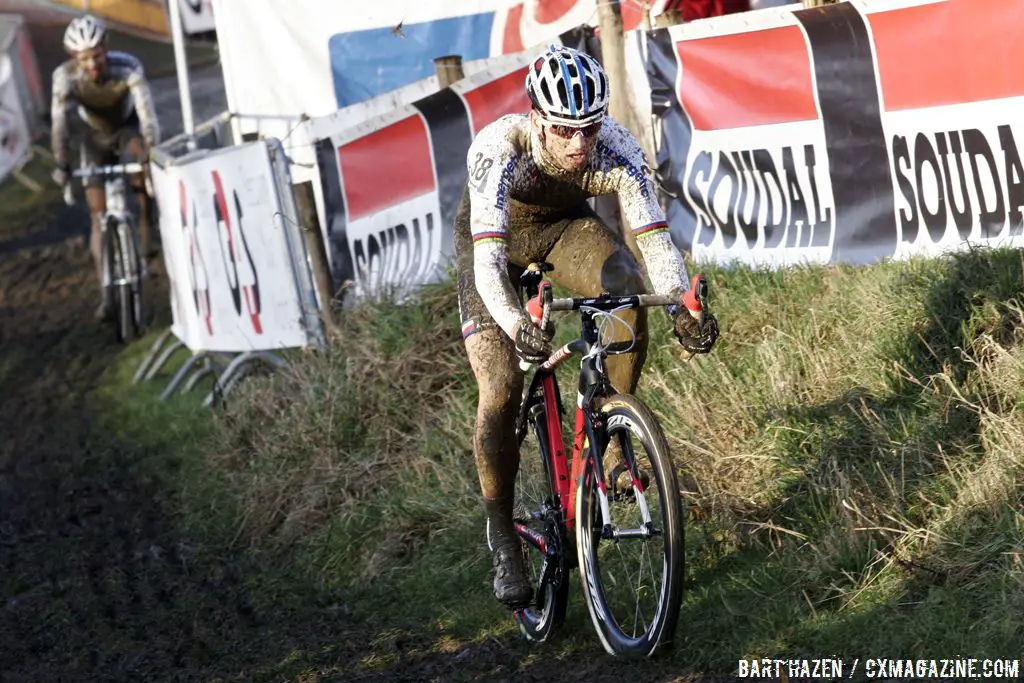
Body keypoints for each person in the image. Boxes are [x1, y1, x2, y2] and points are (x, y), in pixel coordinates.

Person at [454, 44, 719, 608]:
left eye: (589, 129)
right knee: (500, 389)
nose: (579, 145)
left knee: (624, 287)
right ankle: (502, 534)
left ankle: (613, 434)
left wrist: (680, 308)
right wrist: (514, 324)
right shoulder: (498, 148)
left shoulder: (617, 149)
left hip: (564, 232)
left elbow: (654, 241)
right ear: (536, 119)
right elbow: (485, 264)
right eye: (564, 131)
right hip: (492, 252)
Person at [50, 14, 160, 321]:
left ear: (106, 48)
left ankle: (147, 225)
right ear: (75, 58)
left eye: (97, 57)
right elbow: (60, 125)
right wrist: (62, 162)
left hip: (127, 130)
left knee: (141, 166)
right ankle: (106, 294)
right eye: (85, 59)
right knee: (97, 217)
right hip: (94, 139)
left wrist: (150, 153)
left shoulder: (128, 67)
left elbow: (147, 115)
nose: (94, 65)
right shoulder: (65, 77)